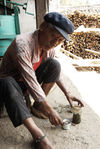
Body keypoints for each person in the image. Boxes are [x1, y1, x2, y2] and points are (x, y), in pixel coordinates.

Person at [0, 12, 84, 149]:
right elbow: (31, 82)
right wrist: (50, 110)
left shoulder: (48, 48)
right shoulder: (22, 44)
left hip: (25, 85)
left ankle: (38, 106)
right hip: (9, 87)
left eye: (60, 40)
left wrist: (67, 93)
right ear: (42, 27)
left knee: (54, 65)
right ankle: (37, 135)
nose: (55, 43)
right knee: (7, 82)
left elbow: (54, 74)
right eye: (53, 36)